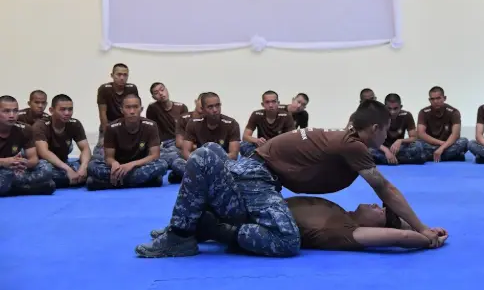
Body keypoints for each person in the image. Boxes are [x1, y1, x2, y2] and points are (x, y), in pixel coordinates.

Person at [134, 99, 443, 258]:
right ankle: (184, 232)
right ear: (375, 128)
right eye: (385, 130)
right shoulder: (352, 145)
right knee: (286, 239)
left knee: (209, 155)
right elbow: (386, 189)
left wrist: (415, 230)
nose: (387, 137)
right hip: (258, 177)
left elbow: (390, 227)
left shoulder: (342, 139)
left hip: (256, 178)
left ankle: (190, 228)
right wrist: (422, 230)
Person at [149, 197, 448, 251]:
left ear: (380, 225)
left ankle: (201, 231)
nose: (374, 205)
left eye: (380, 211)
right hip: (255, 208)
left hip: (259, 229)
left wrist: (427, 239)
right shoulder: (339, 209)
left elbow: (397, 238)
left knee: (217, 225)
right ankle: (183, 230)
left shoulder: (350, 232)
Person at [86, 94, 168, 190]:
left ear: (141, 109)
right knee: (92, 165)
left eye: (135, 107)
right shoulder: (111, 128)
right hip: (118, 167)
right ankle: (144, 181)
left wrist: (132, 164)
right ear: (122, 110)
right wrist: (114, 163)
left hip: (139, 165)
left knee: (162, 165)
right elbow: (109, 157)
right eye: (128, 107)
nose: (132, 111)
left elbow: (154, 156)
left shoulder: (151, 126)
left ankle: (111, 183)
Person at [167, 92, 241, 183]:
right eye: (210, 107)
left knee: (239, 168)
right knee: (177, 163)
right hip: (200, 164)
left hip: (222, 164)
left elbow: (233, 155)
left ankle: (196, 178)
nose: (215, 110)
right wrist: (201, 163)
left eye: (217, 105)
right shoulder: (193, 123)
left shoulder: (232, 124)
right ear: (202, 109)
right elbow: (185, 151)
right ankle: (209, 179)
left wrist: (212, 163)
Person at [0, 95, 56, 196]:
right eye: (6, 111)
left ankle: (11, 187)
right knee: (5, 177)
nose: (12, 115)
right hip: (4, 169)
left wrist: (21, 163)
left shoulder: (24, 129)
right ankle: (24, 188)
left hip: (14, 170)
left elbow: (33, 159)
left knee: (46, 167)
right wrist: (4, 162)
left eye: (15, 111)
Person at [34, 94, 91, 188]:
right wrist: (68, 169)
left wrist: (83, 167)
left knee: (92, 165)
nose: (67, 113)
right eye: (62, 109)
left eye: (70, 109)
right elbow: (44, 152)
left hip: (63, 162)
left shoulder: (75, 124)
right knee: (45, 171)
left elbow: (85, 148)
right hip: (46, 163)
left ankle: (70, 179)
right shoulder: (41, 125)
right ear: (51, 110)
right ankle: (76, 179)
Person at [94, 63, 139, 158]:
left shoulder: (132, 88)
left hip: (127, 124)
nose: (122, 78)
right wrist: (107, 135)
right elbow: (102, 113)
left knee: (133, 151)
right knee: (99, 155)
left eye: (125, 75)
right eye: (119, 74)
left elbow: (135, 109)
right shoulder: (104, 89)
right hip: (109, 124)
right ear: (112, 75)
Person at [415, 86, 468, 162]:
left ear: (444, 98)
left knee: (464, 142)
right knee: (417, 144)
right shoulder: (423, 112)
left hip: (447, 144)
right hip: (431, 144)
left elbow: (455, 135)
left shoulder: (454, 112)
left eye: (438, 98)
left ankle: (429, 156)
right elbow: (421, 134)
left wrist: (442, 148)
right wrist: (440, 143)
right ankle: (452, 155)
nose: (435, 101)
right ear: (429, 100)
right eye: (432, 99)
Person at [369, 93, 424, 165]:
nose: (392, 112)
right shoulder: (378, 116)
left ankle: (388, 160)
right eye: (389, 108)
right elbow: (372, 140)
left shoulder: (406, 115)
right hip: (382, 148)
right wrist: (386, 151)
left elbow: (414, 137)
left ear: (400, 107)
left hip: (399, 149)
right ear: (384, 107)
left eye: (395, 108)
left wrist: (400, 141)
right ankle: (398, 159)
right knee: (368, 150)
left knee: (418, 146)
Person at [145, 82, 188, 169]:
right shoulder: (153, 108)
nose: (161, 93)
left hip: (178, 143)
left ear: (167, 90)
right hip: (164, 144)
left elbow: (186, 130)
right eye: (156, 93)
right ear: (153, 97)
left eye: (162, 89)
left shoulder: (181, 107)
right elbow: (151, 131)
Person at [240, 90, 295, 157]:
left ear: (278, 103)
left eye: (273, 102)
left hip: (279, 148)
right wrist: (257, 140)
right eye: (267, 102)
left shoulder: (287, 116)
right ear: (262, 104)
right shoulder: (256, 114)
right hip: (262, 148)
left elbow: (292, 139)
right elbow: (245, 137)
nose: (271, 105)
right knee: (243, 145)